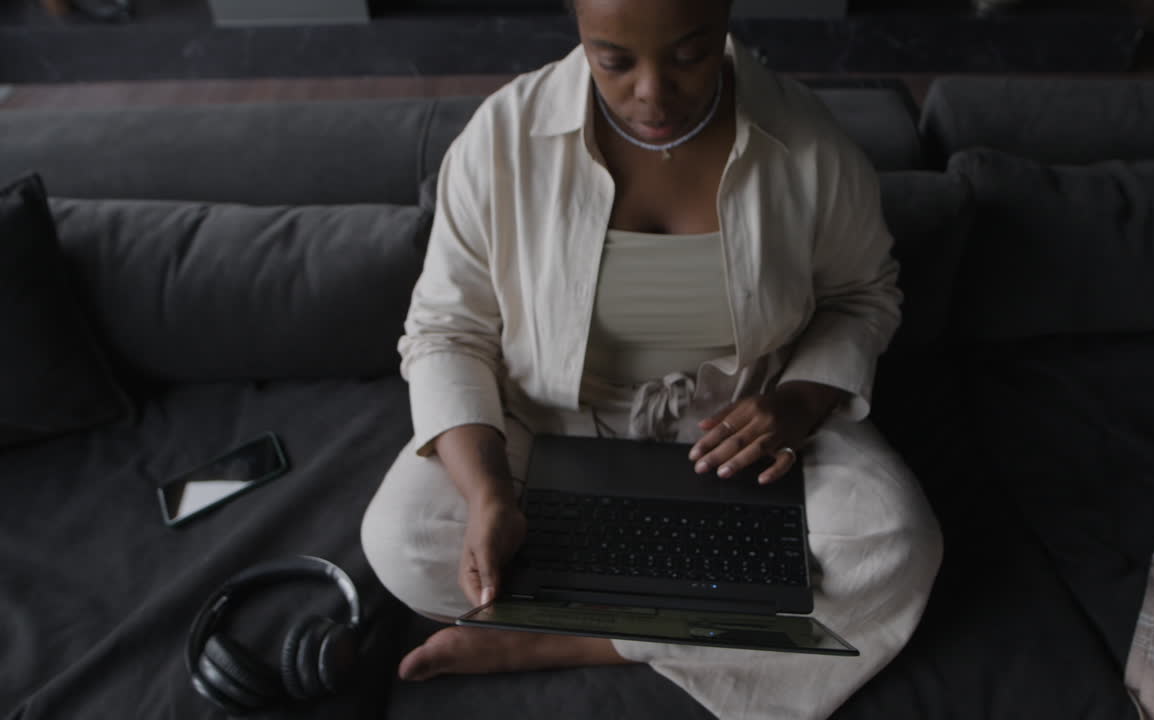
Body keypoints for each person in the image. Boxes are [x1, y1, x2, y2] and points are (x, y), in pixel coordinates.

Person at [361, 0, 943, 717]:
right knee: (404, 542)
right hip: (549, 420)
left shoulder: (809, 144)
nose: (652, 94)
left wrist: (797, 402)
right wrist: (489, 495)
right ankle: (711, 622)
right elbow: (446, 330)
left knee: (890, 544)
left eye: (689, 56)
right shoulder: (502, 136)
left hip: (740, 430)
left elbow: (862, 296)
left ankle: (562, 640)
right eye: (614, 61)